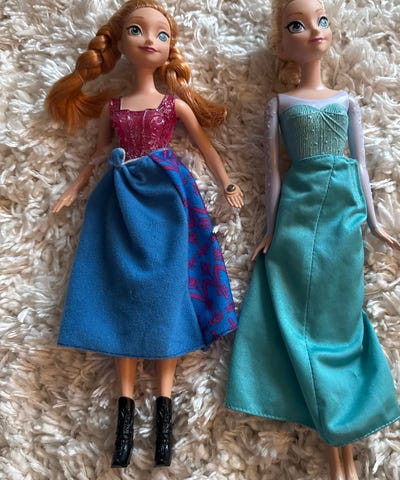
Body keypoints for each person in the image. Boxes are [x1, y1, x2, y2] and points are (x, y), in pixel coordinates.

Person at [45, 0, 244, 468]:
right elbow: (98, 154)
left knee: (166, 300)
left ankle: (164, 421)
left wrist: (227, 183)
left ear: (170, 47)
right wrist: (74, 188)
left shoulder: (174, 106)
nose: (151, 41)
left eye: (162, 34)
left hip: (167, 204)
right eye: (138, 30)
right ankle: (124, 420)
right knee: (124, 300)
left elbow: (206, 148)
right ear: (120, 42)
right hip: (119, 203)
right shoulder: (112, 108)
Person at [225, 1, 400, 479]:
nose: (314, 31)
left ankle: (346, 439)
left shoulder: (346, 101)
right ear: (281, 44)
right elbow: (272, 174)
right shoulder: (280, 104)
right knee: (305, 321)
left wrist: (373, 221)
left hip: (345, 216)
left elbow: (360, 165)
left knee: (341, 321)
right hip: (298, 218)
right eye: (297, 25)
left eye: (321, 20)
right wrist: (269, 229)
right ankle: (335, 447)